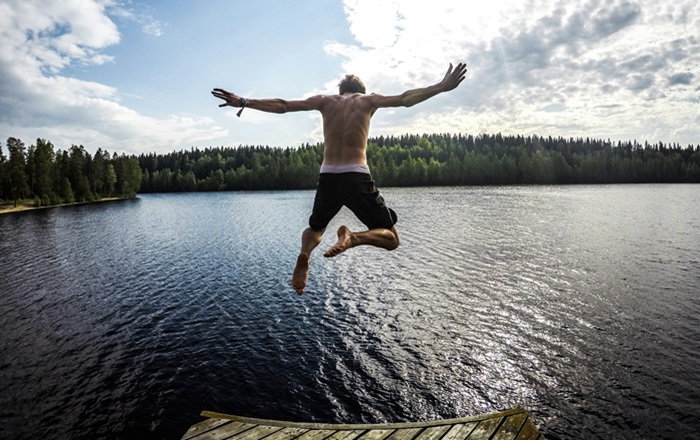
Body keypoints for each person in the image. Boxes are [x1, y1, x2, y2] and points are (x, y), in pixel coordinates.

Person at [212, 62, 467, 295]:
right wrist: (441, 87)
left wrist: (244, 101)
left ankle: (305, 253)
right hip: (357, 175)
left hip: (329, 176)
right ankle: (353, 237)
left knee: (315, 228)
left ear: (341, 90)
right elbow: (405, 99)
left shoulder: (325, 101)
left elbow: (284, 106)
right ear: (360, 90)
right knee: (391, 238)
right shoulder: (368, 101)